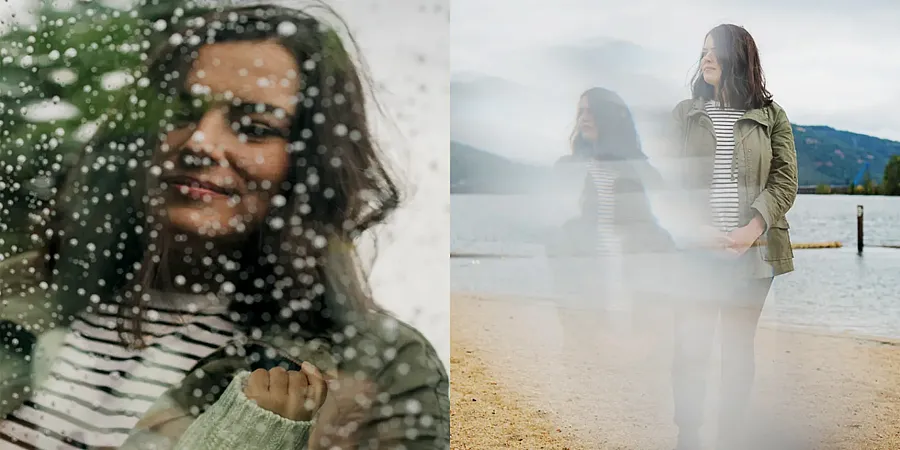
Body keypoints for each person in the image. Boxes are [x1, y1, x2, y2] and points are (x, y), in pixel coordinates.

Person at [0, 5, 449, 450]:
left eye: (254, 128)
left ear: (310, 163)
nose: (200, 142)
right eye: (180, 112)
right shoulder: (20, 288)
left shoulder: (382, 367)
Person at [667, 24, 798, 450]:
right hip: (694, 256)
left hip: (753, 257)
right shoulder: (683, 114)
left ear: (738, 58)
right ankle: (689, 438)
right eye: (702, 51)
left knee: (737, 353)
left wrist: (750, 231)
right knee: (691, 348)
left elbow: (785, 181)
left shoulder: (772, 116)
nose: (705, 59)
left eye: (715, 52)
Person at [546, 87, 674, 354]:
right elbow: (557, 247)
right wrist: (588, 332)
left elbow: (665, 233)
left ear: (612, 118)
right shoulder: (568, 169)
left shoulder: (642, 170)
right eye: (580, 112)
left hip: (634, 297)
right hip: (590, 296)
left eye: (592, 111)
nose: (584, 118)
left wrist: (647, 340)